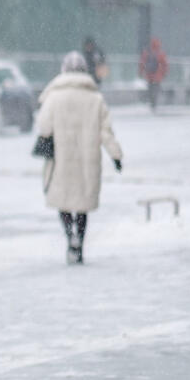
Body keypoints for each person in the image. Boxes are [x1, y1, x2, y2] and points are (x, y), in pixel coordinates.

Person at [35, 51, 122, 265]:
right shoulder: (95, 99)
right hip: (87, 159)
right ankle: (80, 244)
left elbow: (44, 127)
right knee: (82, 204)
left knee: (63, 200)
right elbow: (106, 132)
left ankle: (69, 236)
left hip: (61, 158)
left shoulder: (54, 96)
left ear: (63, 70)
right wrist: (116, 156)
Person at [139, 37, 168, 111]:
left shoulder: (147, 53)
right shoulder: (160, 53)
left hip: (149, 75)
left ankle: (151, 102)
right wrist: (164, 73)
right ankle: (154, 103)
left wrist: (141, 72)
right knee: (155, 89)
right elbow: (165, 64)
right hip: (157, 76)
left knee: (150, 89)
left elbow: (142, 63)